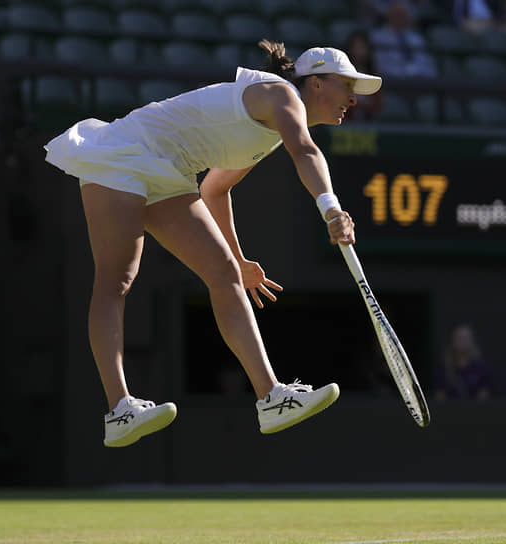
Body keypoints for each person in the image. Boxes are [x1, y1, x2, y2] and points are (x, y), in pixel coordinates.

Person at [44, 39, 380, 447]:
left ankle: (271, 398)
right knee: (117, 279)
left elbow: (215, 189)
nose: (352, 99)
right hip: (121, 153)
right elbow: (305, 151)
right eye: (347, 86)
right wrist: (332, 210)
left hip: (169, 172)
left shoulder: (269, 128)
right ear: (315, 84)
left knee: (224, 273)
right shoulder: (280, 95)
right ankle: (119, 409)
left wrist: (238, 258)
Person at [371, 0, 438, 79]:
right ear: (388, 15)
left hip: (418, 83)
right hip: (390, 83)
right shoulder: (377, 38)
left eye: (402, 15)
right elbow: (379, 66)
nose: (399, 18)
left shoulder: (416, 38)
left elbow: (428, 66)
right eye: (396, 15)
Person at [434, 324, 492, 400]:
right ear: (452, 340)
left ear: (472, 340)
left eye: (465, 338)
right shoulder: (444, 370)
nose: (462, 341)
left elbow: (484, 396)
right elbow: (439, 397)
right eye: (459, 338)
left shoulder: (481, 368)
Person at [343, 30, 384, 122]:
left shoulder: (373, 74)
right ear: (350, 48)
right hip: (345, 121)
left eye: (363, 47)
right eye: (357, 47)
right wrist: (357, 104)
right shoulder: (341, 74)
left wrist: (368, 106)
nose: (360, 51)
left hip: (369, 121)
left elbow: (377, 102)